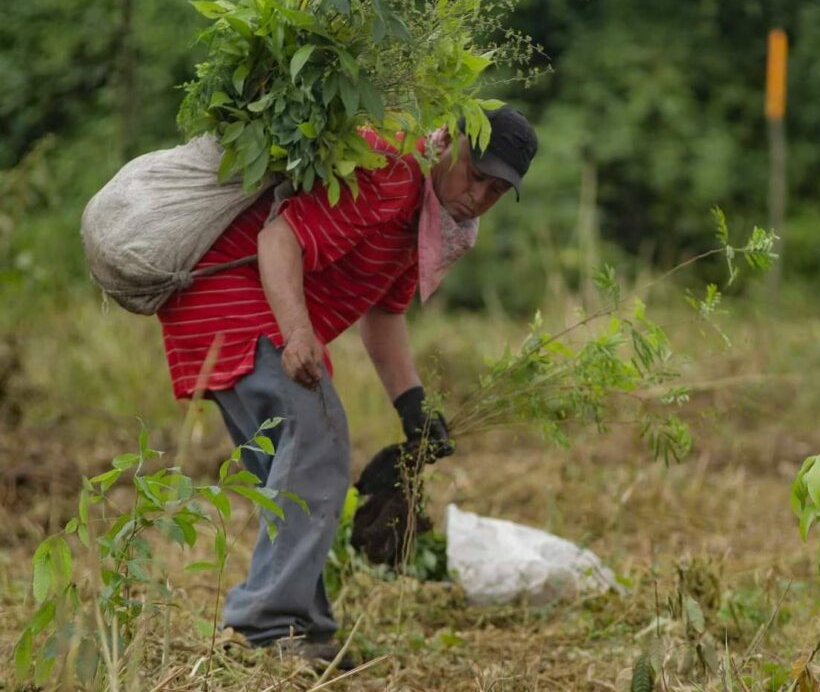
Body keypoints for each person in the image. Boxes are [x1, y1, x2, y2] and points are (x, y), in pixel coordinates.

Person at [156, 106, 539, 665]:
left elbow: (383, 314)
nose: (479, 197)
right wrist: (297, 334)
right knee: (320, 445)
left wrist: (413, 407)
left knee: (289, 475)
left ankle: (303, 632)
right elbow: (279, 237)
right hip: (233, 298)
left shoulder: (426, 224)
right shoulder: (395, 175)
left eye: (497, 191)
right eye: (476, 176)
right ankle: (270, 626)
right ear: (449, 145)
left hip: (243, 310)